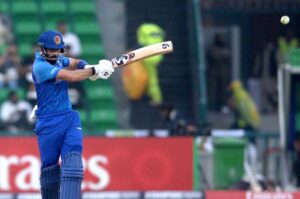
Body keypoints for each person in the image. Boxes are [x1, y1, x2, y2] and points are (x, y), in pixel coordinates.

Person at [31, 30, 114, 199]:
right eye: (51, 50)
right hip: (48, 123)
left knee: (74, 166)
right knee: (50, 174)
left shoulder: (60, 59)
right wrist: (94, 71)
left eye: (58, 49)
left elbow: (76, 63)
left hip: (69, 118)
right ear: (42, 49)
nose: (55, 53)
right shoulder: (40, 66)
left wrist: (87, 66)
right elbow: (71, 76)